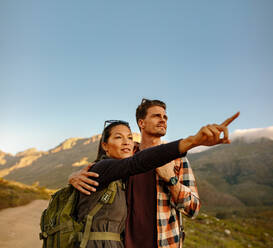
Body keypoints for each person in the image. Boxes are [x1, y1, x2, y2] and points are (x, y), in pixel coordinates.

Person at [70, 99, 239, 248]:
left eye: (165, 117)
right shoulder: (126, 154)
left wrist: (172, 181)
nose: (163, 120)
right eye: (156, 116)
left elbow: (193, 209)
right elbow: (101, 167)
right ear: (141, 123)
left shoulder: (179, 160)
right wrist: (73, 177)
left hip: (165, 243)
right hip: (125, 243)